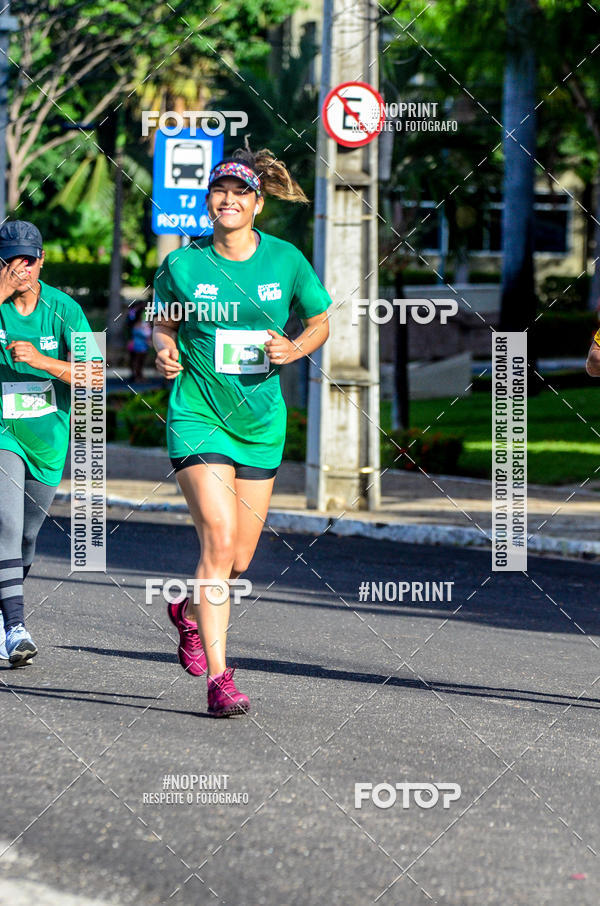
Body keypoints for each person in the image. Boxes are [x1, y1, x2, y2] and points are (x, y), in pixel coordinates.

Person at [152, 144, 331, 717]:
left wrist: (293, 347)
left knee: (241, 559)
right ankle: (221, 678)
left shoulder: (286, 261)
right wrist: (165, 351)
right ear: (208, 203)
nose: (228, 201)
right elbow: (163, 323)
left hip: (260, 422)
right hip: (198, 415)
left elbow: (321, 320)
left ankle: (187, 610)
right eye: (218, 193)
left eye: (239, 194)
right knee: (217, 540)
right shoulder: (183, 264)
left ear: (257, 204)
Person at [0, 221, 95, 666]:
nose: (17, 269)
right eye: (7, 260)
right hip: (3, 434)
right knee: (5, 522)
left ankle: (5, 612)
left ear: (41, 261)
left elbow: (95, 374)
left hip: (47, 437)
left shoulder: (64, 309)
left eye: (25, 260)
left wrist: (42, 361)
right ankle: (16, 626)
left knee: (27, 535)